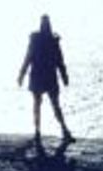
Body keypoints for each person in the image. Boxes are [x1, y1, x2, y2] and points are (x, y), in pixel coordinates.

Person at [17, 13, 71, 146]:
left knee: (42, 105)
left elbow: (28, 58)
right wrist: (64, 76)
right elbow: (59, 61)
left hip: (40, 76)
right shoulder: (51, 41)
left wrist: (21, 75)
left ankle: (42, 131)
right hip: (46, 76)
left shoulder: (40, 41)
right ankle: (58, 131)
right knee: (48, 105)